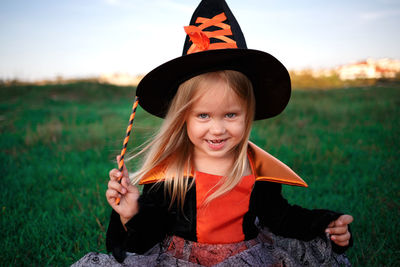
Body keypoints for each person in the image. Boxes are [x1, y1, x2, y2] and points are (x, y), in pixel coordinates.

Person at [104, 0, 353, 266]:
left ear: (249, 113)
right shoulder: (172, 172)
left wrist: (326, 223)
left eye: (231, 115)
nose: (218, 129)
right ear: (183, 117)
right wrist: (131, 215)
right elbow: (145, 237)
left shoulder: (258, 168)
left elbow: (281, 218)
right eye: (203, 115)